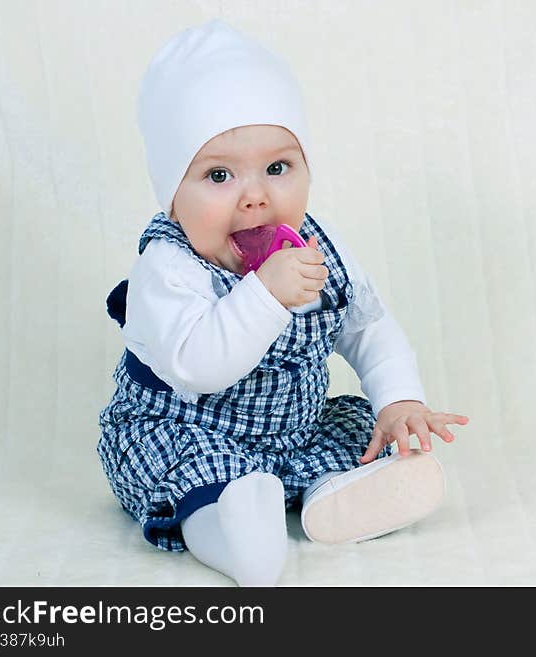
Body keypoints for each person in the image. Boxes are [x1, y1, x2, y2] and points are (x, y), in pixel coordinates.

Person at [97, 18, 469, 587]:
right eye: (219, 175)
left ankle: (336, 498)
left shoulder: (318, 246)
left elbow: (368, 328)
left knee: (354, 427)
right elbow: (201, 366)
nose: (257, 197)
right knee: (196, 471)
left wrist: (398, 399)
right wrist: (265, 294)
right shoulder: (168, 268)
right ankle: (236, 536)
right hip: (186, 426)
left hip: (294, 430)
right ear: (172, 197)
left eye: (278, 168)